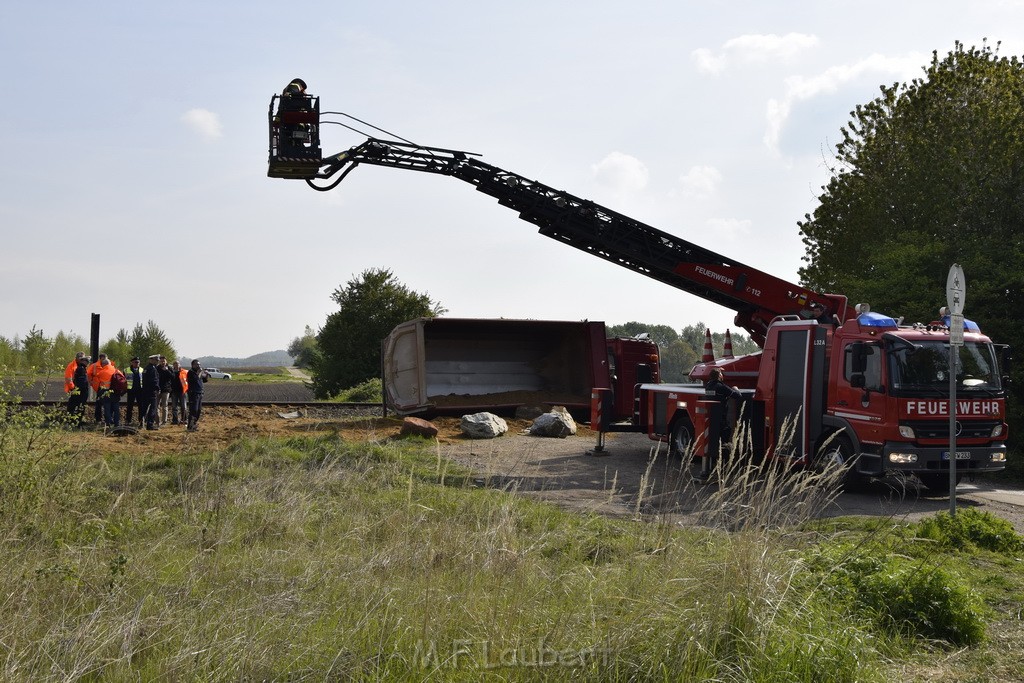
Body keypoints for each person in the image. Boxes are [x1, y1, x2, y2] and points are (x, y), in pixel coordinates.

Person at [704, 367, 742, 441]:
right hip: (720, 416)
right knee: (726, 431)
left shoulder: (708, 386)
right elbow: (738, 396)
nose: (722, 375)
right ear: (719, 376)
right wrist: (736, 389)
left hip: (711, 415)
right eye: (721, 373)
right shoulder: (721, 387)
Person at [89, 354, 120, 427]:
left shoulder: (101, 372)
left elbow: (96, 382)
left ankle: (108, 423)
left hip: (105, 392)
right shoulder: (116, 370)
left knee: (107, 408)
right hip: (115, 392)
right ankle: (117, 424)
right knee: (116, 409)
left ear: (104, 365)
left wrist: (97, 391)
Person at [66, 355, 89, 427]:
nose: (88, 363)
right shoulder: (81, 369)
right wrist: (74, 388)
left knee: (74, 405)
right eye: (87, 361)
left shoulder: (80, 368)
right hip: (78, 390)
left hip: (76, 389)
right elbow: (81, 381)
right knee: (77, 405)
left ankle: (74, 420)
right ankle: (75, 421)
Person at [186, 360, 209, 432]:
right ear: (193, 365)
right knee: (193, 410)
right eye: (197, 365)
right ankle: (190, 426)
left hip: (199, 393)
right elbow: (195, 380)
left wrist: (206, 375)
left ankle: (194, 424)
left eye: (199, 364)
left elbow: (204, 380)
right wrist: (199, 373)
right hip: (193, 394)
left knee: (198, 410)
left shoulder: (198, 373)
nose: (198, 366)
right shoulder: (191, 373)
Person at [141, 354, 161, 430]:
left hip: (145, 391)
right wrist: (158, 388)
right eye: (156, 360)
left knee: (144, 408)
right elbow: (154, 381)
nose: (157, 361)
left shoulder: (146, 368)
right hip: (152, 391)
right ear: (152, 360)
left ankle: (141, 423)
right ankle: (150, 425)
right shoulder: (152, 369)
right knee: (153, 408)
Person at [123, 357, 144, 426]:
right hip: (131, 390)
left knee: (141, 406)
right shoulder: (126, 370)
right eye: (135, 362)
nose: (137, 363)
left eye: (138, 362)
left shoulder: (142, 370)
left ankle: (141, 421)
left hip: (140, 391)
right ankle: (128, 420)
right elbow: (123, 380)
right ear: (131, 362)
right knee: (129, 406)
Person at [169, 360, 189, 425]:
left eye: (177, 364)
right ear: (173, 365)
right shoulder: (171, 372)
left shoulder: (184, 371)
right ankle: (175, 420)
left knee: (183, 406)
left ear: (179, 364)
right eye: (175, 364)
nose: (176, 365)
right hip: (174, 392)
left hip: (182, 391)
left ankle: (184, 420)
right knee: (174, 407)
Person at [156, 356, 173, 426]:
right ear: (159, 361)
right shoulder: (157, 368)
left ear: (166, 361)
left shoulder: (169, 368)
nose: (162, 362)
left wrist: (167, 370)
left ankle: (164, 421)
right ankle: (157, 421)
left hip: (166, 389)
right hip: (158, 389)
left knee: (164, 406)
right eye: (161, 361)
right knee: (156, 405)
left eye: (164, 361)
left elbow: (173, 377)